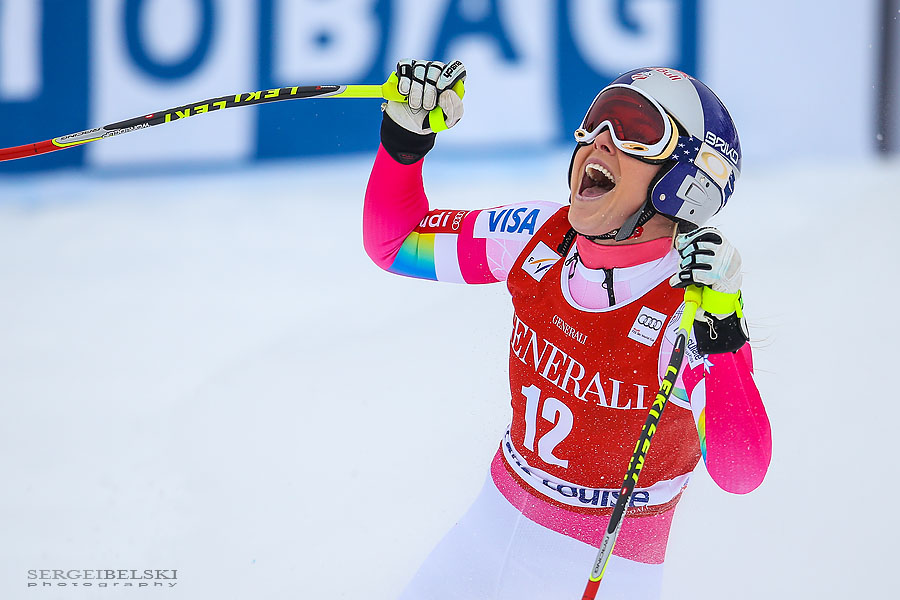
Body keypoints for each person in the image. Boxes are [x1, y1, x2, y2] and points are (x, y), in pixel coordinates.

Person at [362, 60, 772, 600]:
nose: (599, 142)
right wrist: (404, 143)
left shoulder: (686, 310)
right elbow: (396, 244)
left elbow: (741, 470)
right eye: (598, 122)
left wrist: (724, 325)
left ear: (684, 183)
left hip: (602, 573)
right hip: (480, 541)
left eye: (636, 133)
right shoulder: (540, 235)